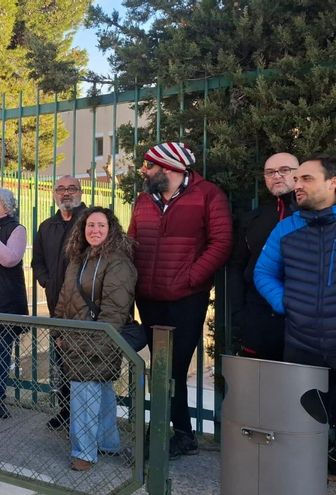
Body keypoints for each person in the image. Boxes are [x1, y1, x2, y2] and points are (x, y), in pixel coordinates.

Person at [128, 142, 232, 459]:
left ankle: (175, 432)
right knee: (159, 367)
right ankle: (175, 431)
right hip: (148, 296)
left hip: (186, 298)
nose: (144, 171)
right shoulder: (145, 199)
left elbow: (221, 241)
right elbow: (132, 240)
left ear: (170, 168)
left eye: (149, 165)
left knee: (173, 368)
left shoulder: (208, 194)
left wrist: (190, 278)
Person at [255, 156, 336, 479]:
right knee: (305, 422)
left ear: (332, 183)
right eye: (297, 178)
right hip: (301, 342)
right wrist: (286, 302)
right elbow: (263, 272)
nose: (297, 185)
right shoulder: (287, 227)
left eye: (307, 179)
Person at [54, 207, 137, 472]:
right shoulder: (79, 258)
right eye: (90, 225)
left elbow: (115, 311)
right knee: (101, 392)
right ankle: (107, 442)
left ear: (111, 229)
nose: (95, 230)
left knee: (84, 396)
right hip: (76, 340)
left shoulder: (118, 262)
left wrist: (94, 343)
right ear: (83, 229)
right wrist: (57, 331)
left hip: (97, 340)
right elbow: (65, 298)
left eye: (101, 225)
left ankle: (84, 453)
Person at [228, 152, 298, 360]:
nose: (277, 176)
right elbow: (237, 266)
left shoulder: (315, 214)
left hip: (302, 318)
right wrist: (239, 314)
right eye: (270, 172)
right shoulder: (254, 218)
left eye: (284, 170)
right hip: (258, 319)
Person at [30, 175, 87, 430]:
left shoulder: (90, 222)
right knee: (62, 358)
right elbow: (37, 261)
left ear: (80, 191)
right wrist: (47, 282)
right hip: (56, 304)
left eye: (71, 188)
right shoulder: (47, 226)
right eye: (61, 189)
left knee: (84, 360)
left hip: (84, 304)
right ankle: (65, 410)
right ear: (54, 193)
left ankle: (83, 417)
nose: (66, 193)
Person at [0, 188, 28, 419]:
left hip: (5, 301)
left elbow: (9, 259)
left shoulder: (16, 229)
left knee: (0, 352)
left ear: (7, 206)